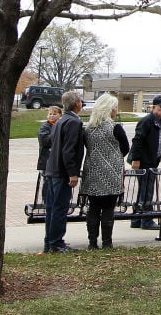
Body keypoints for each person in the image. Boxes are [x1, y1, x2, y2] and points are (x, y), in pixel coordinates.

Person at [80, 93, 130, 249]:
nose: (116, 110)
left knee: (93, 207)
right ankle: (107, 242)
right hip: (111, 173)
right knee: (108, 207)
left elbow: (87, 147)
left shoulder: (88, 129)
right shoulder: (115, 128)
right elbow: (125, 148)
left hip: (92, 171)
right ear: (110, 109)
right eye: (114, 107)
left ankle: (92, 242)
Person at [43, 91, 85, 253]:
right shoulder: (73, 122)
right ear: (76, 104)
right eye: (80, 101)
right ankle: (56, 243)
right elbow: (69, 150)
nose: (81, 104)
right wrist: (72, 173)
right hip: (62, 172)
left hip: (52, 170)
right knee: (60, 208)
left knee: (52, 209)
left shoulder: (61, 121)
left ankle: (50, 241)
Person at [127, 95, 161, 230]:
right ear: (154, 107)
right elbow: (137, 141)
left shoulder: (160, 122)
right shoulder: (147, 121)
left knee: (144, 191)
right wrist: (136, 159)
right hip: (144, 161)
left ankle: (136, 218)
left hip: (152, 161)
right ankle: (146, 219)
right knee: (146, 191)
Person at [36, 105, 62, 172]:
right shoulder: (44, 127)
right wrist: (57, 135)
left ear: (60, 115)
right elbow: (45, 141)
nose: (52, 116)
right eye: (50, 114)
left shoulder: (61, 126)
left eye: (54, 114)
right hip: (46, 161)